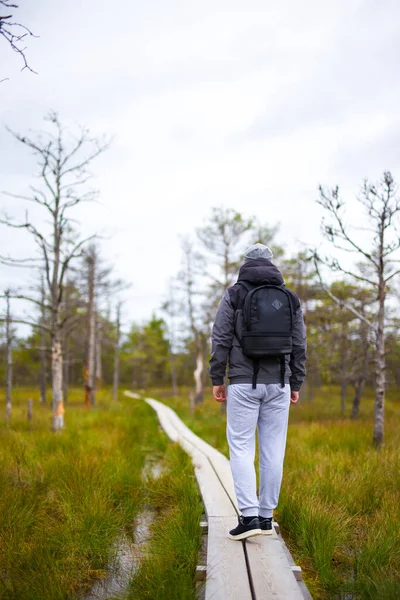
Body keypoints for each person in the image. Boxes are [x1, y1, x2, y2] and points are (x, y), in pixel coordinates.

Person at [209, 243, 306, 540]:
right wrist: (296, 381)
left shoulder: (234, 294)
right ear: (272, 264)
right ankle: (266, 518)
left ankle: (248, 516)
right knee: (273, 450)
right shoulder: (289, 297)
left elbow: (221, 336)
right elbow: (299, 342)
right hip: (279, 383)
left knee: (240, 447)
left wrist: (217, 377)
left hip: (242, 382)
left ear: (245, 264)